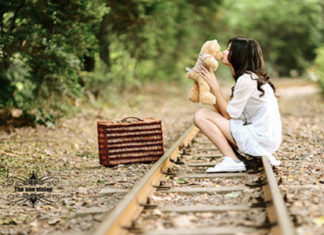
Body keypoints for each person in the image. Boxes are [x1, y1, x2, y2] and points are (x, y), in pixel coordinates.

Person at [194, 37, 282, 173]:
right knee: (205, 115)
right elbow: (225, 114)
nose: (223, 52)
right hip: (263, 137)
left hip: (260, 138)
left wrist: (215, 87)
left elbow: (228, 115)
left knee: (201, 115)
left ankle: (232, 159)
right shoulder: (250, 78)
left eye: (228, 49)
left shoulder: (247, 80)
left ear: (238, 55)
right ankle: (232, 159)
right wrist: (211, 87)